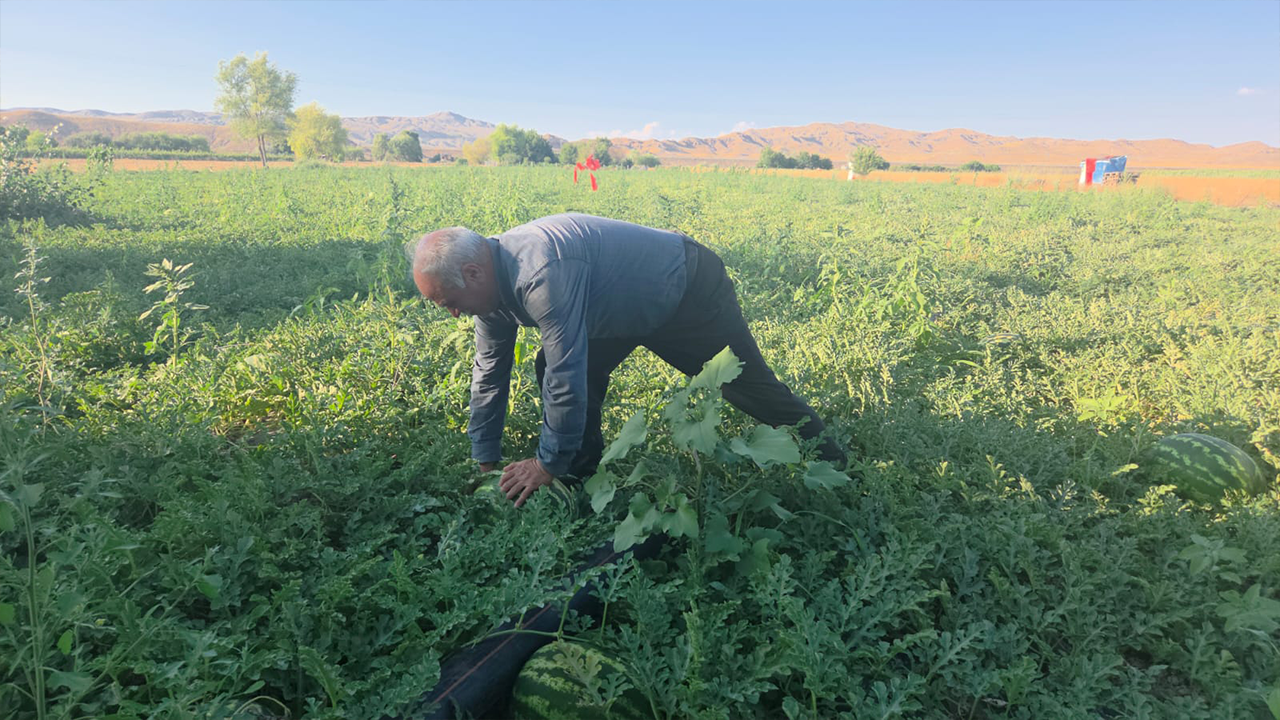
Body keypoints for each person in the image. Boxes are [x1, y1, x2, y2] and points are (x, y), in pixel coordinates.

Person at [407, 213, 845, 507]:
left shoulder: (540, 272)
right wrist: (486, 458)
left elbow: (567, 373)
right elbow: (489, 373)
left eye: (450, 301)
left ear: (474, 273)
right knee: (553, 365)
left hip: (684, 290)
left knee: (747, 384)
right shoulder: (488, 291)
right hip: (617, 307)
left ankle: (838, 466)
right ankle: (577, 479)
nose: (454, 314)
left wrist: (542, 462)